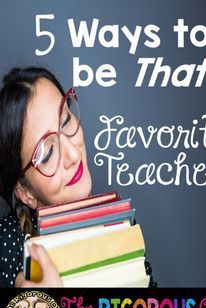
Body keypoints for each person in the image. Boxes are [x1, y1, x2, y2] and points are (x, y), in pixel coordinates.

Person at [0, 66, 156, 288]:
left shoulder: (119, 227)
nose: (74, 154)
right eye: (48, 153)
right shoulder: (5, 249)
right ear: (24, 192)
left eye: (65, 122)